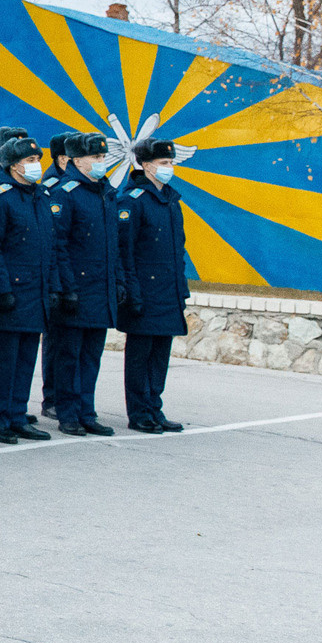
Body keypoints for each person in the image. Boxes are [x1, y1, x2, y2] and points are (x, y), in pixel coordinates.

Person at [0, 134, 59, 445]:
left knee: (25, 358)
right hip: (8, 295)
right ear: (13, 166)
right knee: (3, 360)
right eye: (29, 161)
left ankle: (18, 415)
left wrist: (53, 287)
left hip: (35, 293)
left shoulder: (41, 196)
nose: (36, 166)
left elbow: (50, 247)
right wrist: (1, 289)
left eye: (38, 160)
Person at [117, 137, 192, 433]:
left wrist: (181, 290)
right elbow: (125, 252)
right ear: (146, 165)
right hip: (145, 294)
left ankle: (154, 408)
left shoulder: (171, 200)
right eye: (163, 163)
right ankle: (139, 412)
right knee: (140, 355)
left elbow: (178, 251)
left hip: (168, 293)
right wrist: (132, 294)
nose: (169, 168)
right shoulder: (132, 201)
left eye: (170, 163)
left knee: (160, 354)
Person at [50, 132, 123, 437]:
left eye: (103, 157)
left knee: (91, 356)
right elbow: (58, 245)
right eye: (95, 157)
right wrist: (67, 288)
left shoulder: (105, 192)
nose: (101, 163)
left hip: (100, 289)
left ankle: (86, 411)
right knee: (69, 355)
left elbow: (113, 245)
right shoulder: (65, 192)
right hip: (76, 290)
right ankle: (67, 413)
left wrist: (118, 282)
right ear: (77, 160)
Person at [39, 134, 78, 423]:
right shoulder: (54, 189)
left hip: (72, 278)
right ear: (63, 159)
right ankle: (51, 398)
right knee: (57, 344)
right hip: (59, 279)